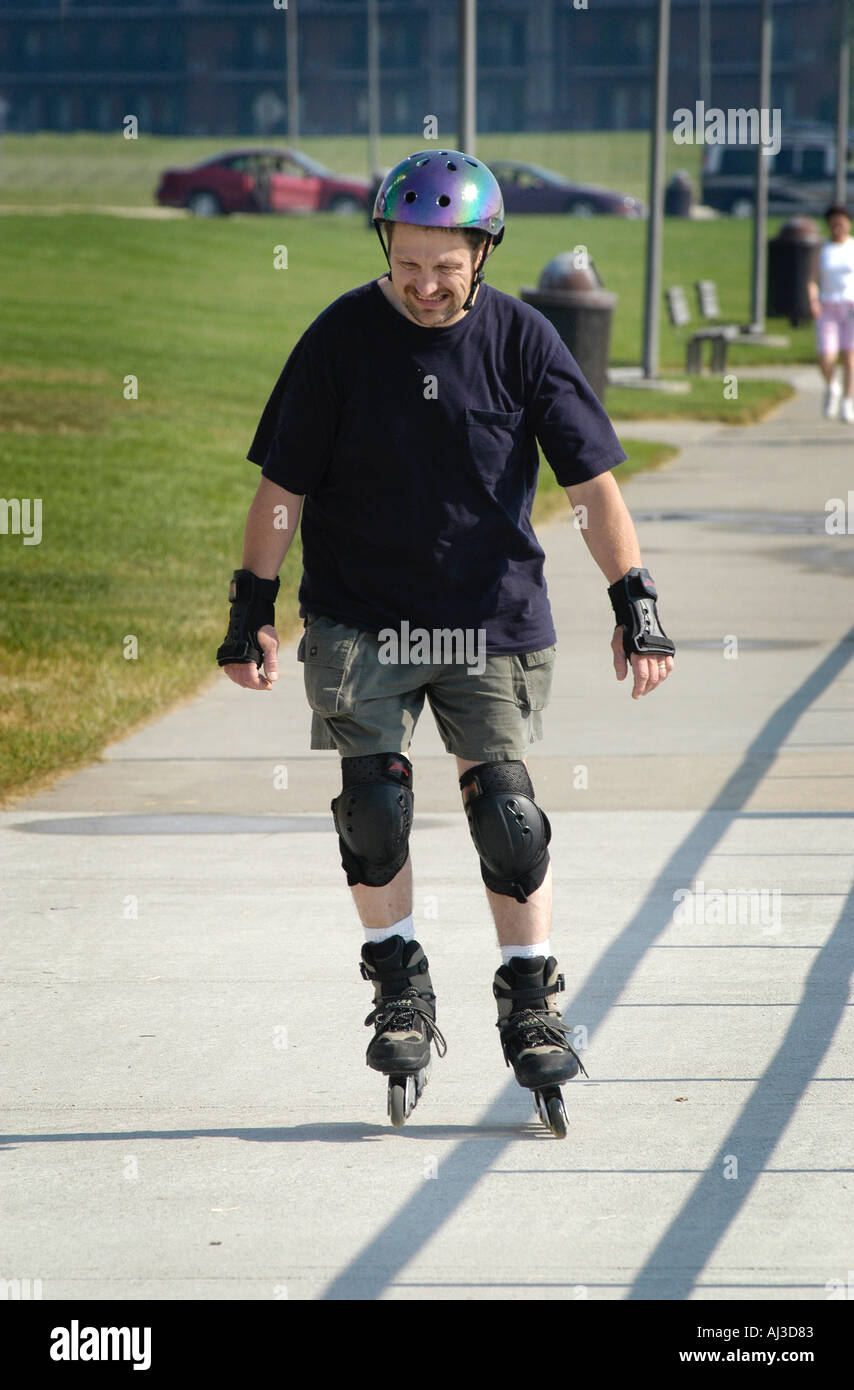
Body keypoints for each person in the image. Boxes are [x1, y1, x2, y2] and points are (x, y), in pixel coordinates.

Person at [217, 150, 675, 1133]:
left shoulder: (523, 340)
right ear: (386, 245)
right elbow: (282, 492)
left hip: (491, 617)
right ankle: (400, 987)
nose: (425, 285)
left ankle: (531, 1001)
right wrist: (249, 604)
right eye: (407, 263)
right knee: (373, 808)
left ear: (484, 253)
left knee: (508, 816)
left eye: (446, 266)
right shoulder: (339, 338)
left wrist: (635, 600)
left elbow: (592, 486)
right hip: (359, 614)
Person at [808, 204, 854, 423]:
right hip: (828, 305)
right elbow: (812, 279)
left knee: (850, 355)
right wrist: (813, 300)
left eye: (841, 223)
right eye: (834, 224)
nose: (838, 228)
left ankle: (847, 403)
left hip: (853, 306)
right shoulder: (822, 249)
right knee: (826, 355)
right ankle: (833, 385)